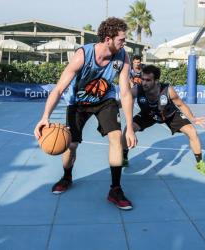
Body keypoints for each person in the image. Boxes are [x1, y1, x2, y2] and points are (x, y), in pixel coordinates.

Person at [34, 17, 136, 210]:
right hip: (78, 103)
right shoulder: (83, 55)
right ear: (108, 39)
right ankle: (66, 177)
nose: (125, 43)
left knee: (116, 137)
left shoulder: (123, 57)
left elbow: (125, 92)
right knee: (71, 144)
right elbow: (58, 89)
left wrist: (129, 127)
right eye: (121, 39)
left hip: (105, 101)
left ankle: (115, 189)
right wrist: (45, 116)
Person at [122, 64, 205, 175]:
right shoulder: (137, 89)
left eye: (148, 80)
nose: (144, 82)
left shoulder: (168, 90)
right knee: (127, 129)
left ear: (156, 81)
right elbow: (125, 100)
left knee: (192, 131)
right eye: (143, 79)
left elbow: (181, 104)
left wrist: (193, 118)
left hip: (169, 114)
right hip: (148, 114)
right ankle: (124, 156)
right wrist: (113, 105)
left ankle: (200, 163)